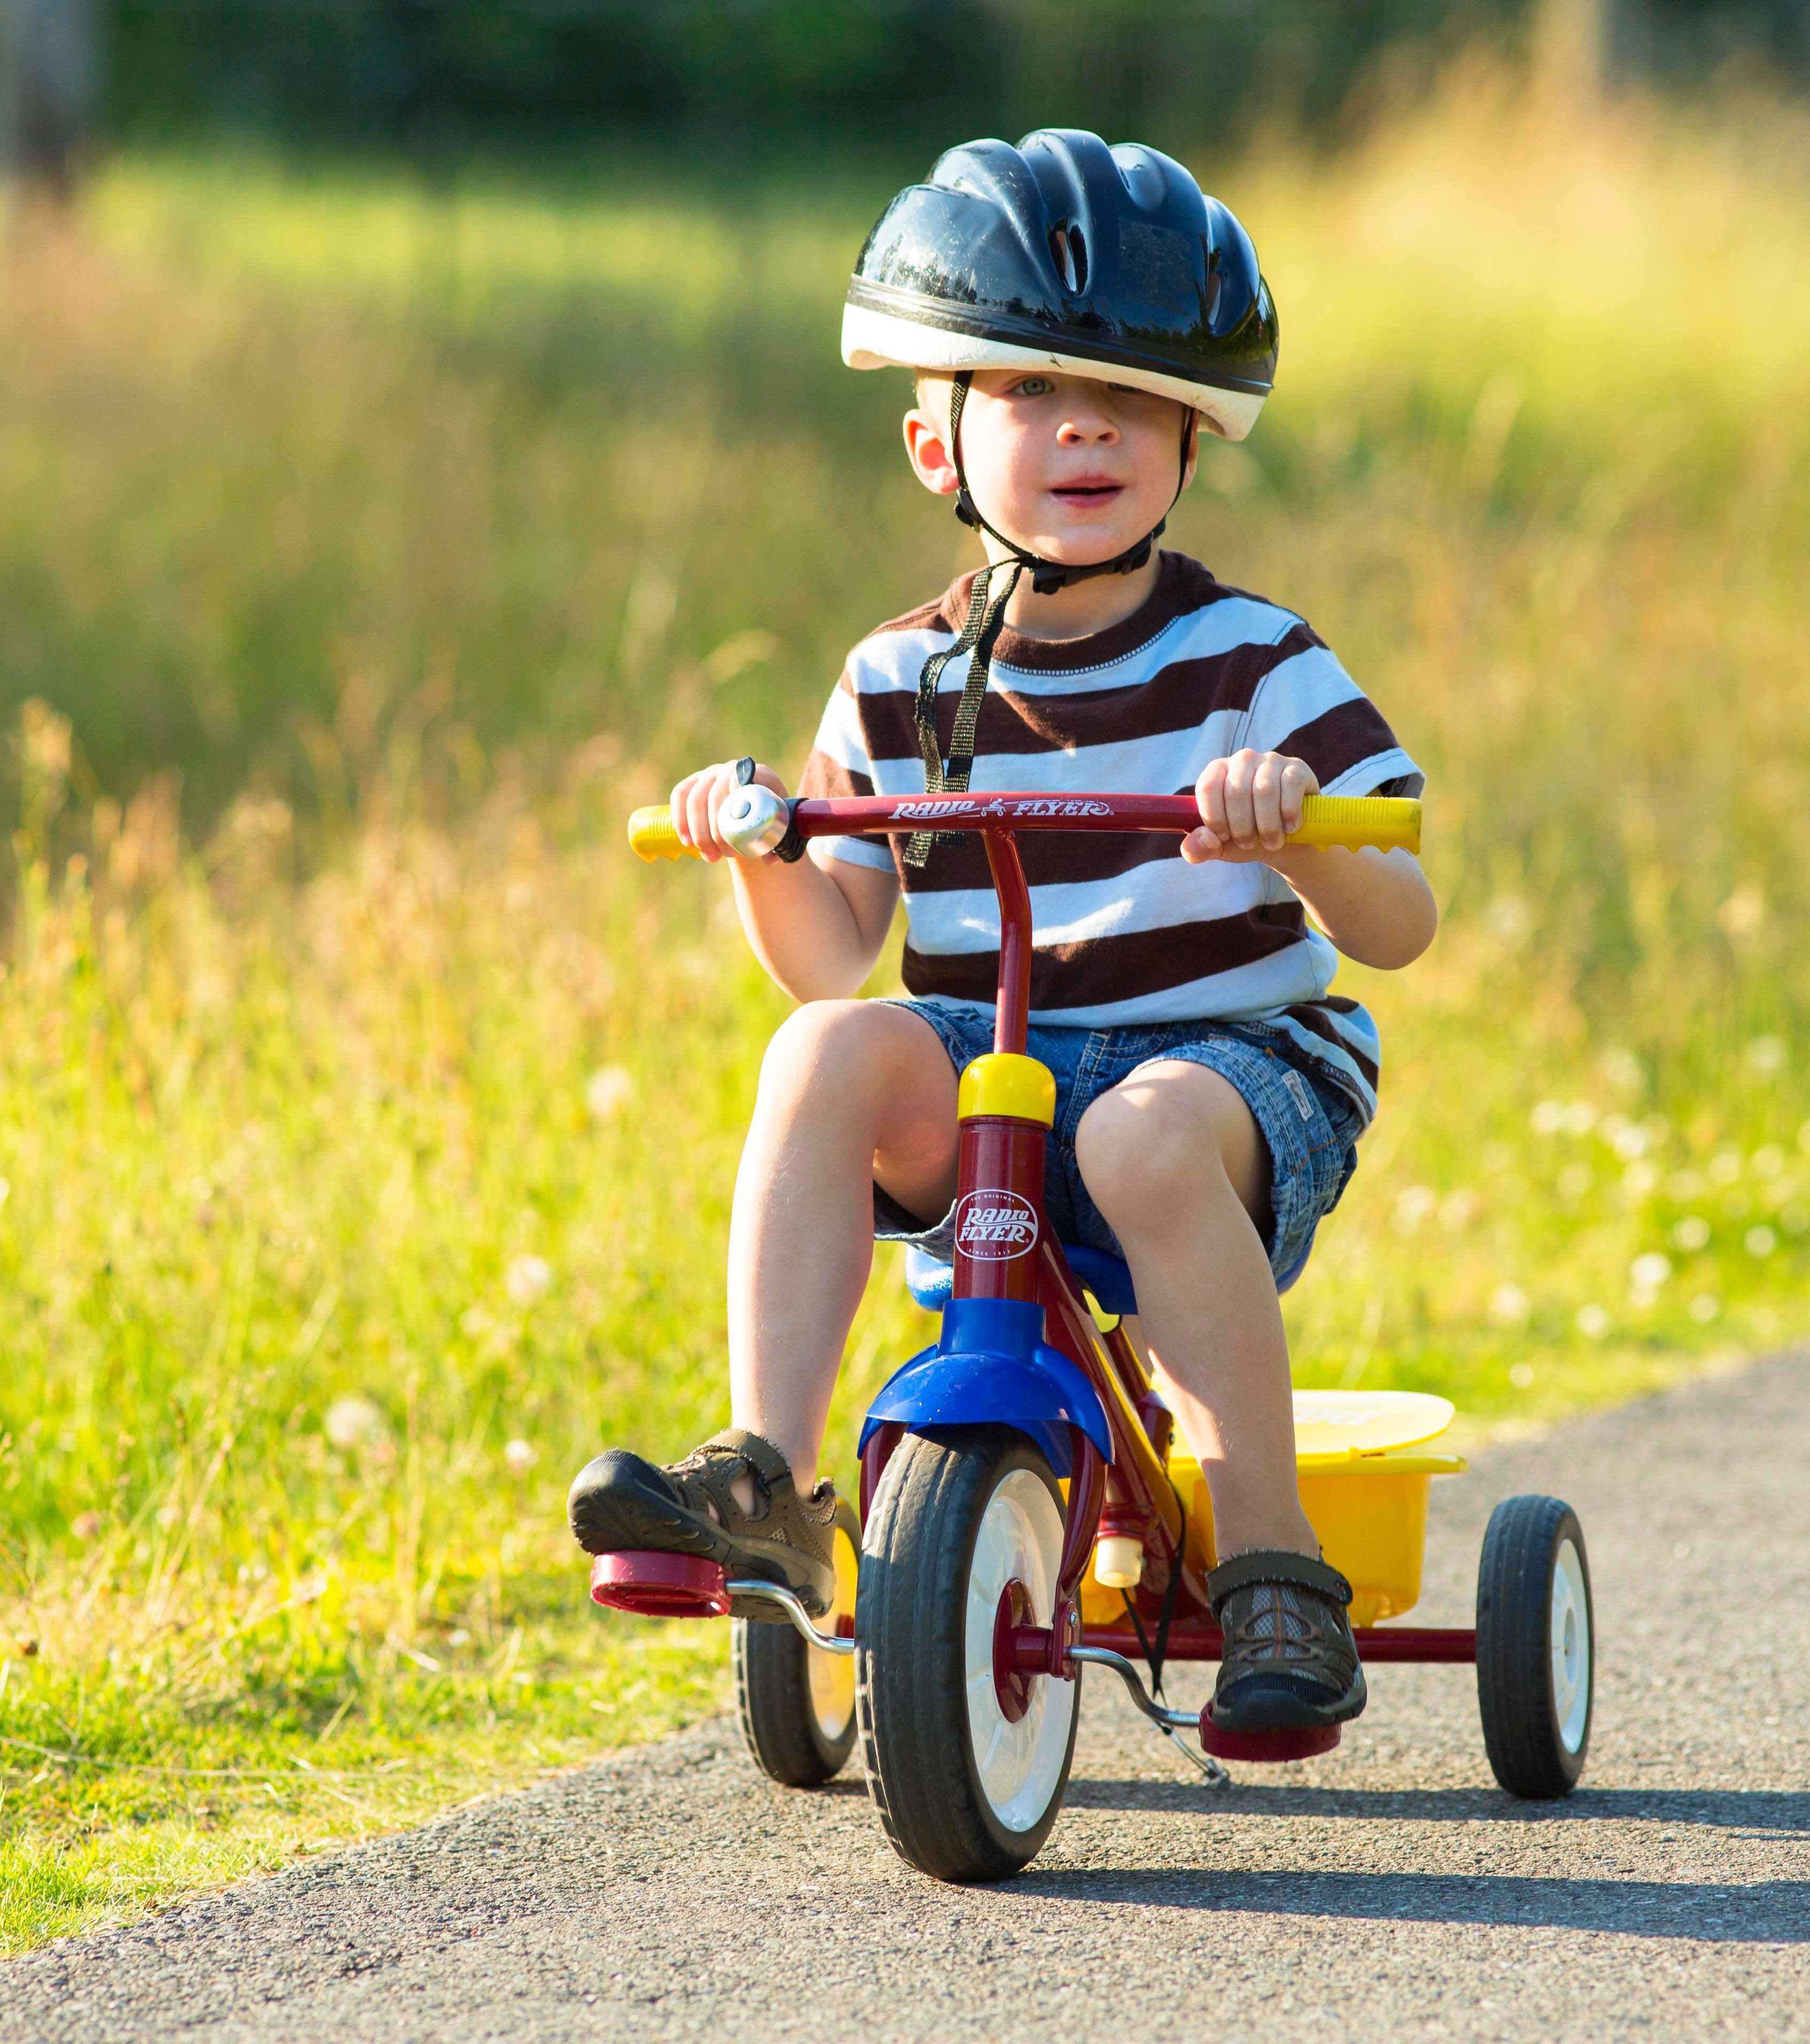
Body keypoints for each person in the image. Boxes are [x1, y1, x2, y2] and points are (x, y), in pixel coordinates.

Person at [569, 130, 1436, 1734]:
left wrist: (1302, 821)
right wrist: (759, 841)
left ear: (1195, 437)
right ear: (935, 443)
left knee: (1152, 1141)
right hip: (991, 1066)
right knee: (824, 1047)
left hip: (1234, 1067)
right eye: (1025, 390)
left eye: (1127, 397)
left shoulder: (1257, 663)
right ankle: (770, 1477)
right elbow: (835, 954)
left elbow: (1401, 924)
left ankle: (1271, 1573)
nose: (1082, 424)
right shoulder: (895, 679)